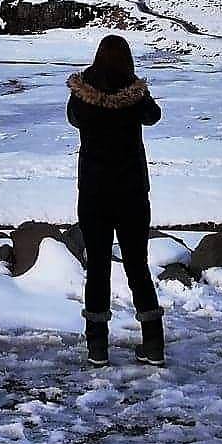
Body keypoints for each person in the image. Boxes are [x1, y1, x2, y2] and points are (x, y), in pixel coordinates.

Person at [67, 34, 164, 367]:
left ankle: (97, 348)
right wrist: (136, 86)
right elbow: (154, 116)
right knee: (137, 265)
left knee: (97, 266)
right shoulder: (135, 95)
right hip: (133, 193)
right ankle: (153, 344)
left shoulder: (82, 95)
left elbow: (73, 117)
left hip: (94, 193)